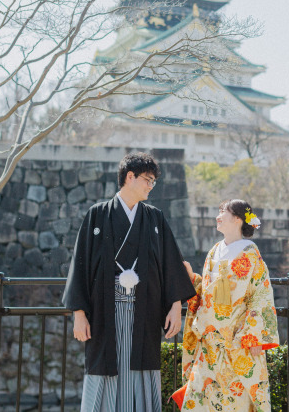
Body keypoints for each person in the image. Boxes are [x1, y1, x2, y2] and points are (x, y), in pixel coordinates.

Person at [62, 152, 197, 412]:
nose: (151, 186)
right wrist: (79, 313)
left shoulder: (155, 218)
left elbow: (172, 264)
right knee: (104, 368)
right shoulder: (97, 215)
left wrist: (174, 306)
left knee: (142, 370)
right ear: (129, 177)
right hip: (104, 312)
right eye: (148, 180)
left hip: (144, 310)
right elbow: (79, 265)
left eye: (153, 181)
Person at [171, 200, 279, 412]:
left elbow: (260, 293)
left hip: (238, 338)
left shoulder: (250, 252)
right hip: (210, 338)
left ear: (238, 218)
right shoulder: (214, 251)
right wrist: (192, 279)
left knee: (236, 398)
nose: (218, 216)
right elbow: (207, 292)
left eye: (223, 212)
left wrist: (255, 335)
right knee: (203, 395)